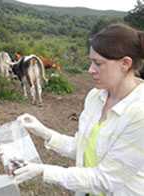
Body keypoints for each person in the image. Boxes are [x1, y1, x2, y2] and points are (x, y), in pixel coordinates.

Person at [14, 23, 144, 196]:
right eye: (91, 62)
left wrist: (44, 171)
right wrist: (44, 132)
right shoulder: (95, 97)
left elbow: (106, 180)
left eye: (98, 63)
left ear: (125, 63)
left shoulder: (139, 113)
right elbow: (83, 147)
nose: (90, 70)